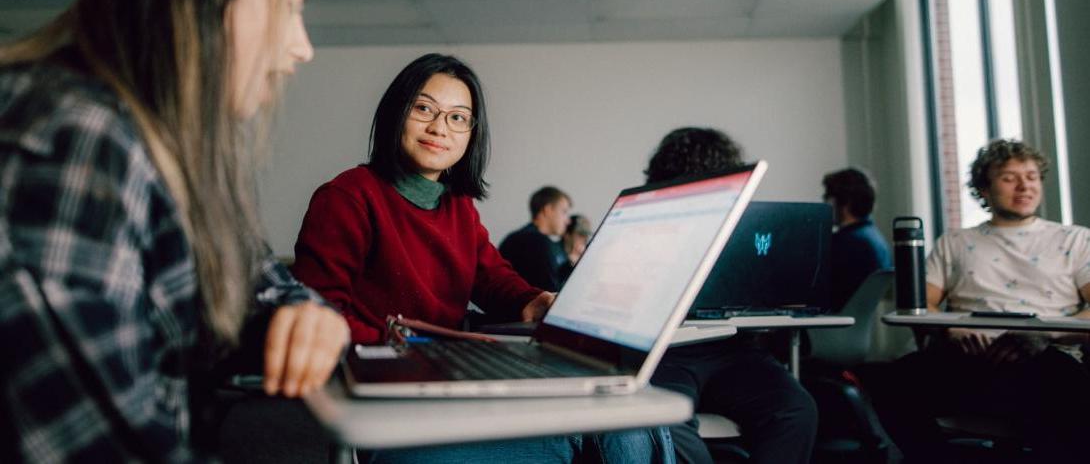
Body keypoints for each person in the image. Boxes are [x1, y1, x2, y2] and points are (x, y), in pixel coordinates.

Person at [0, 0, 349, 462]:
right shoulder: (73, 144)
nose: (302, 46)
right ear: (204, 0)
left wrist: (305, 315)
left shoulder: (160, 148)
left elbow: (257, 278)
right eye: (289, 6)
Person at [291, 53, 672, 463]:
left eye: (458, 117)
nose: (440, 127)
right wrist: (410, 346)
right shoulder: (348, 197)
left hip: (449, 384)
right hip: (389, 402)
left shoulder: (459, 206)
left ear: (472, 132)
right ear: (396, 113)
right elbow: (318, 317)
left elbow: (491, 277)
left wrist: (534, 301)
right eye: (424, 109)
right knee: (599, 436)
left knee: (630, 416)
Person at [864, 139, 1090, 462]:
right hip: (967, 357)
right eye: (1010, 177)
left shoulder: (1076, 240)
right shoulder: (956, 242)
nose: (1025, 185)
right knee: (889, 384)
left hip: (1045, 357)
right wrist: (949, 330)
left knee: (1071, 396)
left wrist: (1047, 335)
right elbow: (919, 306)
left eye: (1032, 176)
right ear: (984, 189)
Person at [644, 128, 817, 464]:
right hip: (665, 354)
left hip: (733, 352)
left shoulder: (745, 233)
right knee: (663, 422)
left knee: (797, 409)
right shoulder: (644, 228)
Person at [822, 167, 892, 310]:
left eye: (827, 197)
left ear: (844, 202)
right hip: (858, 329)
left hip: (830, 326)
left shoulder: (846, 244)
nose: (824, 203)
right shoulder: (875, 238)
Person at [500, 186, 574, 291]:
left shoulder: (519, 237)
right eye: (564, 212)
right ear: (547, 210)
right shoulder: (536, 243)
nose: (568, 221)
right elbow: (552, 294)